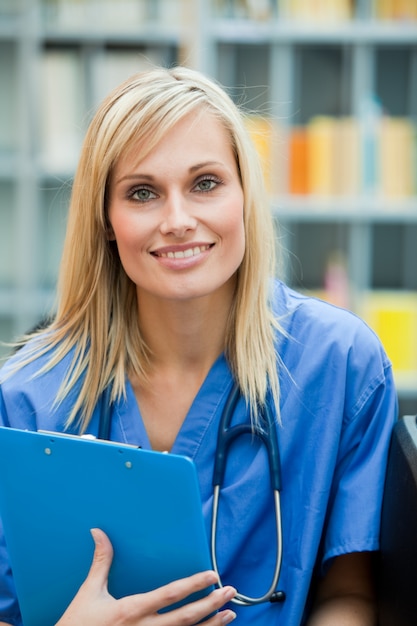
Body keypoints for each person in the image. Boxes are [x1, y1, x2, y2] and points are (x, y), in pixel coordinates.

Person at [0, 65, 397, 626]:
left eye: (205, 183)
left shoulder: (339, 365)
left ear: (243, 194)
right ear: (106, 221)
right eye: (142, 193)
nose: (178, 220)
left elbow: (349, 595)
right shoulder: (26, 400)